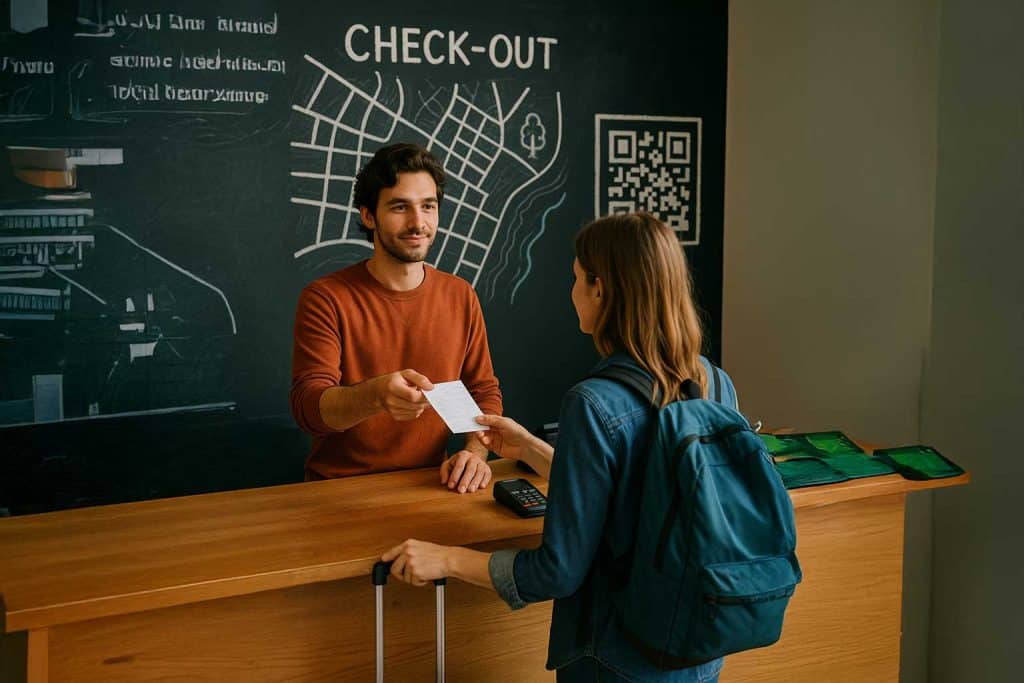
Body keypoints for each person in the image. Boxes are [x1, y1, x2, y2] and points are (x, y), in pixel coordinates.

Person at [382, 212, 738, 682]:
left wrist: (444, 559)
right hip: (697, 646)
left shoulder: (593, 402)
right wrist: (528, 447)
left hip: (616, 656)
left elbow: (557, 571)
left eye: (575, 278)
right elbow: (641, 501)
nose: (571, 292)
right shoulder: (713, 380)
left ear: (600, 288)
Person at [290, 143, 502, 492]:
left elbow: (483, 391)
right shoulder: (326, 298)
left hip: (432, 485)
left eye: (428, 207)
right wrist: (374, 396)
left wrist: (476, 452)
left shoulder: (461, 295)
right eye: (400, 207)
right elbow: (309, 409)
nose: (418, 223)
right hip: (337, 491)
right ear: (369, 216)